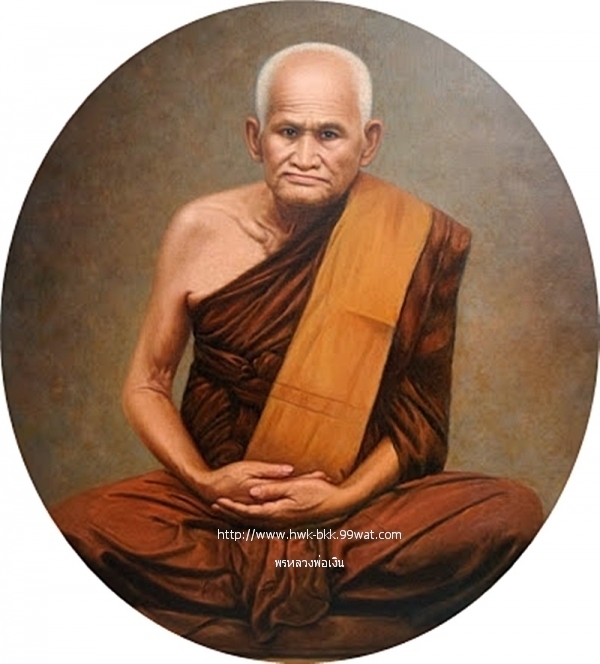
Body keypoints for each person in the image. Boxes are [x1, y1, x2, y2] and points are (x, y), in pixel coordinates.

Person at [52, 43, 543, 658]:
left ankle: (243, 616)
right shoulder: (199, 228)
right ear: (255, 138)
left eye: (329, 135)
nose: (306, 156)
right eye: (288, 132)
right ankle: (328, 622)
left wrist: (340, 498)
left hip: (352, 515)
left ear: (369, 142)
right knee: (72, 531)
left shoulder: (416, 237)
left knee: (509, 515)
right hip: (216, 511)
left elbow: (419, 421)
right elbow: (147, 383)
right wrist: (204, 482)